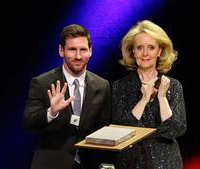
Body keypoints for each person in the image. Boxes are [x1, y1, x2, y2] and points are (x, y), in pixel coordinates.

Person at [23, 24, 112, 169]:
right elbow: (28, 123)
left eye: (83, 50)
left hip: (88, 164)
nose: (78, 56)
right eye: (72, 49)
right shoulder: (42, 82)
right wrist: (52, 112)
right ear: (61, 51)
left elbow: (104, 126)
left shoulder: (102, 85)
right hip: (51, 163)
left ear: (90, 51)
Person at [112, 20, 187, 169]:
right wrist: (144, 99)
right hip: (130, 163)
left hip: (166, 162)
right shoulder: (120, 86)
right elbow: (121, 129)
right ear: (133, 51)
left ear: (159, 51)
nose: (145, 54)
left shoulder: (174, 85)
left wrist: (162, 98)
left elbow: (175, 128)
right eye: (140, 48)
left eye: (151, 47)